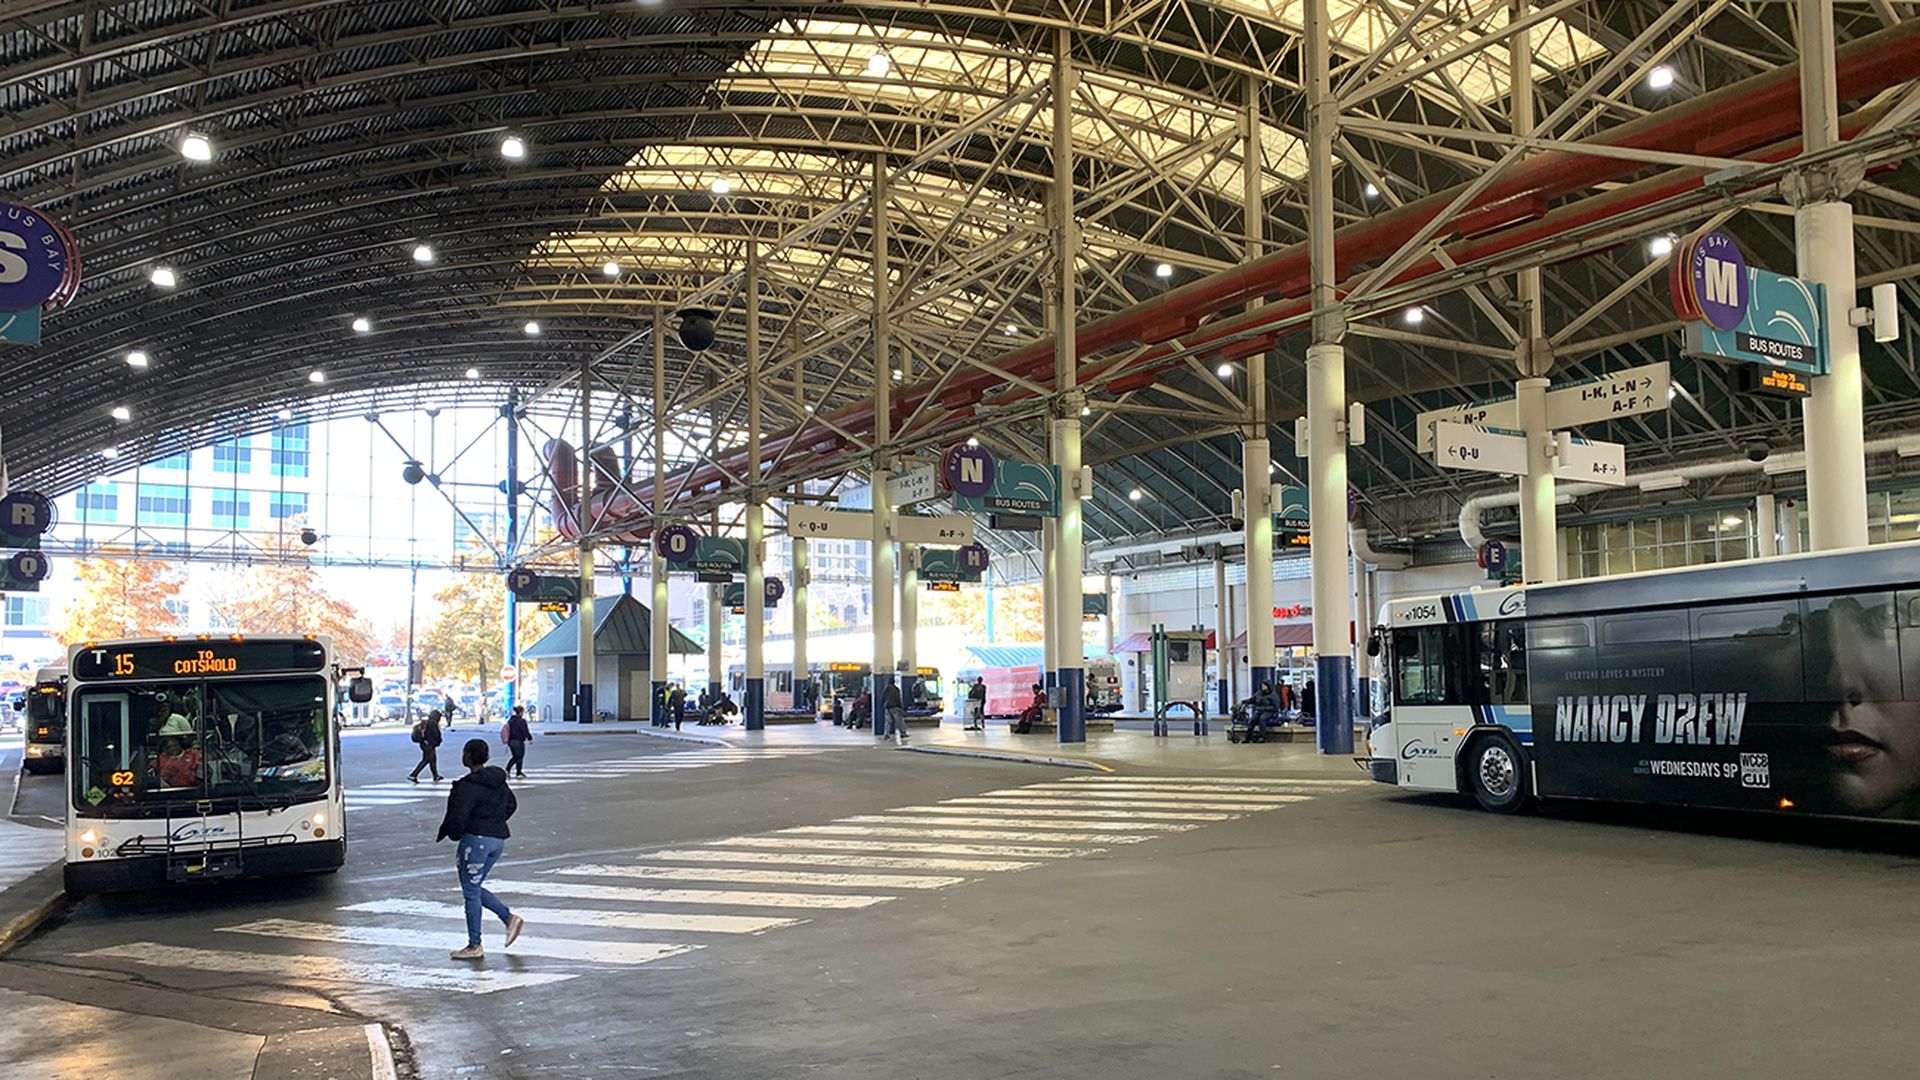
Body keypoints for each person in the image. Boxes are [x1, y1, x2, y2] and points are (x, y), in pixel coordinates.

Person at [437, 738, 524, 960]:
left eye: (464, 752)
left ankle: (476, 943)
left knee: (470, 891)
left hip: (476, 841)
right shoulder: (498, 780)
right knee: (473, 887)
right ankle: (507, 919)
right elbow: (511, 804)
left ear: (468, 756)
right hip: (497, 840)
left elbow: (458, 816)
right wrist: (495, 821)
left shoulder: (467, 786)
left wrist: (458, 833)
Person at [150, 715, 202, 789]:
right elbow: (154, 779)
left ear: (179, 740)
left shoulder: (194, 756)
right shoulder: (157, 761)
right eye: (166, 741)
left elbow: (202, 777)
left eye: (173, 739)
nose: (170, 744)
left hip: (193, 792)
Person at [409, 708, 446, 782]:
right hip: (429, 745)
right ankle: (413, 775)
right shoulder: (433, 724)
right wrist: (438, 741)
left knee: (433, 760)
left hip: (424, 743)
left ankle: (435, 776)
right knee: (426, 760)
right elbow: (436, 735)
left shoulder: (426, 722)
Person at [502, 705, 532, 779]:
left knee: (515, 757)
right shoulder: (522, 721)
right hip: (518, 741)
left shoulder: (510, 720)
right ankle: (517, 772)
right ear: (521, 712)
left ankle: (508, 770)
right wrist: (529, 738)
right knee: (519, 757)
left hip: (511, 741)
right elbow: (525, 731)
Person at [881, 678, 908, 744]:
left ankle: (886, 734)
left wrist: (885, 704)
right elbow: (898, 699)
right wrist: (901, 707)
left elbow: (882, 698)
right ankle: (903, 733)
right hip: (895, 707)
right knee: (899, 721)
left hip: (887, 707)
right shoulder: (896, 689)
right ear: (894, 682)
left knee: (888, 721)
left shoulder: (885, 689)